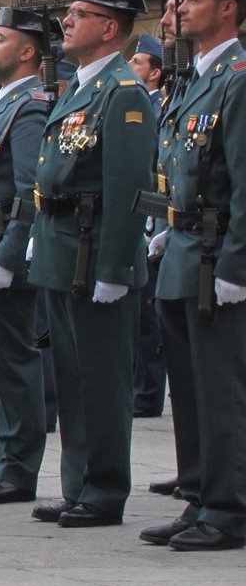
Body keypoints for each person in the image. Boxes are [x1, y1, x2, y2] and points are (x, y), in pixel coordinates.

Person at [27, 0, 153, 530]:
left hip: (95, 252)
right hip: (62, 246)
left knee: (101, 378)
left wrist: (116, 269)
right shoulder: (80, 87)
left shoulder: (123, 92)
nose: (68, 21)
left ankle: (103, 489)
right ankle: (78, 482)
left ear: (110, 29)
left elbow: (129, 189)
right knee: (74, 375)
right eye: (70, 13)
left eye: (81, 14)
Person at [142, 0, 246, 552]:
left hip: (216, 259)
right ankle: (201, 493)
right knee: (189, 384)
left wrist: (237, 265)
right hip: (183, 250)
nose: (180, 9)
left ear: (229, 8)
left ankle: (229, 508)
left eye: (193, 0)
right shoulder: (197, 79)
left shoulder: (238, 76)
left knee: (220, 385)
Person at [0, 7, 56, 506]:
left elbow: (29, 189)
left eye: (0, 38)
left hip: (6, 246)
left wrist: (7, 257)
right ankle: (2, 455)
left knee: (14, 357)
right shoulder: (0, 102)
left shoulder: (30, 107)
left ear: (27, 51)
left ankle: (20, 462)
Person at [128, 33, 167, 419]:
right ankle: (142, 386)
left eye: (137, 63)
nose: (130, 67)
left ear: (154, 73)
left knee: (150, 314)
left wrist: (156, 224)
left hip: (157, 218)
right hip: (146, 219)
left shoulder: (159, 107)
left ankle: (149, 391)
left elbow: (158, 169)